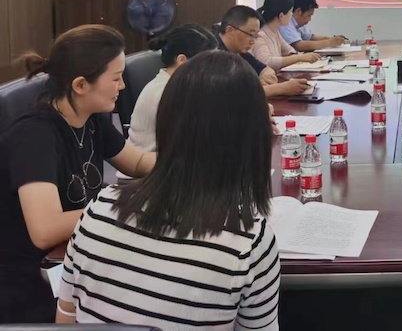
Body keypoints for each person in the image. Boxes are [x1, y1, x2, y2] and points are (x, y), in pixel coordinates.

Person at [56, 50, 279, 327]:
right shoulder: (249, 243)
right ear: (255, 135)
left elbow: (66, 319)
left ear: (165, 120)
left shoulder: (97, 210)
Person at [0, 25, 156, 322]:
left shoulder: (90, 119)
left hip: (77, 255)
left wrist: (191, 164)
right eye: (115, 78)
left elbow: (137, 162)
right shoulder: (35, 137)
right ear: (81, 85)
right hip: (32, 280)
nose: (123, 86)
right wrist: (121, 204)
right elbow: (45, 230)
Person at [127, 23, 219, 152]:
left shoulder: (180, 83)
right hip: (152, 160)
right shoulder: (166, 93)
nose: (213, 67)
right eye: (208, 62)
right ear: (182, 60)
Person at [216, 5, 309, 98]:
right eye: (250, 34)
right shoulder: (213, 53)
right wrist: (281, 89)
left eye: (255, 36)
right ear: (230, 31)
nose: (253, 41)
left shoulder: (238, 50)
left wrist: (265, 75)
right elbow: (233, 93)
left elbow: (264, 67)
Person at [252, 0, 322, 70]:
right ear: (281, 16)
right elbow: (266, 62)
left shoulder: (275, 32)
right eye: (290, 12)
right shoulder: (260, 35)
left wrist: (295, 56)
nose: (292, 15)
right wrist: (298, 58)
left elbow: (289, 50)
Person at [280, 0, 346, 52]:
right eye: (309, 15)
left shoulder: (298, 23)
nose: (310, 19)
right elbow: (299, 46)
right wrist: (329, 42)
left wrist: (333, 39)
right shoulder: (285, 23)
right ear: (298, 11)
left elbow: (310, 37)